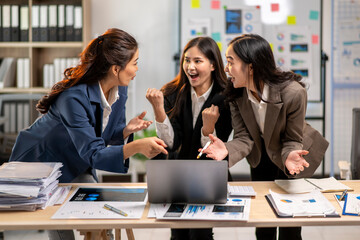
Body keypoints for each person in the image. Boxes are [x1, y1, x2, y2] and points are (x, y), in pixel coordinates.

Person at [9, 28, 168, 239]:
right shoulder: (72, 98)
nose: (137, 69)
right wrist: (137, 146)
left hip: (75, 157)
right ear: (115, 69)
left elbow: (103, 136)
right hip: (40, 165)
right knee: (59, 226)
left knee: (102, 214)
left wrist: (126, 131)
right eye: (135, 62)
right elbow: (94, 153)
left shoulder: (120, 89)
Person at [202, 34, 329, 240]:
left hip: (293, 155)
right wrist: (227, 148)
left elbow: (292, 138)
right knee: (264, 222)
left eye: (230, 62)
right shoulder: (236, 94)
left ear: (251, 67)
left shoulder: (293, 93)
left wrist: (289, 157)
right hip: (261, 156)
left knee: (290, 224)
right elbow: (243, 136)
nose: (226, 68)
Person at [146, 36, 232, 240]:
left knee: (200, 233)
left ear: (213, 65)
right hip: (178, 173)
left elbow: (218, 148)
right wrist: (159, 110)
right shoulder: (172, 92)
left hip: (209, 175)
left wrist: (208, 129)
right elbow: (171, 143)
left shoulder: (227, 97)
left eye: (197, 61)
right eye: (187, 60)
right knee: (178, 233)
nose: (190, 66)